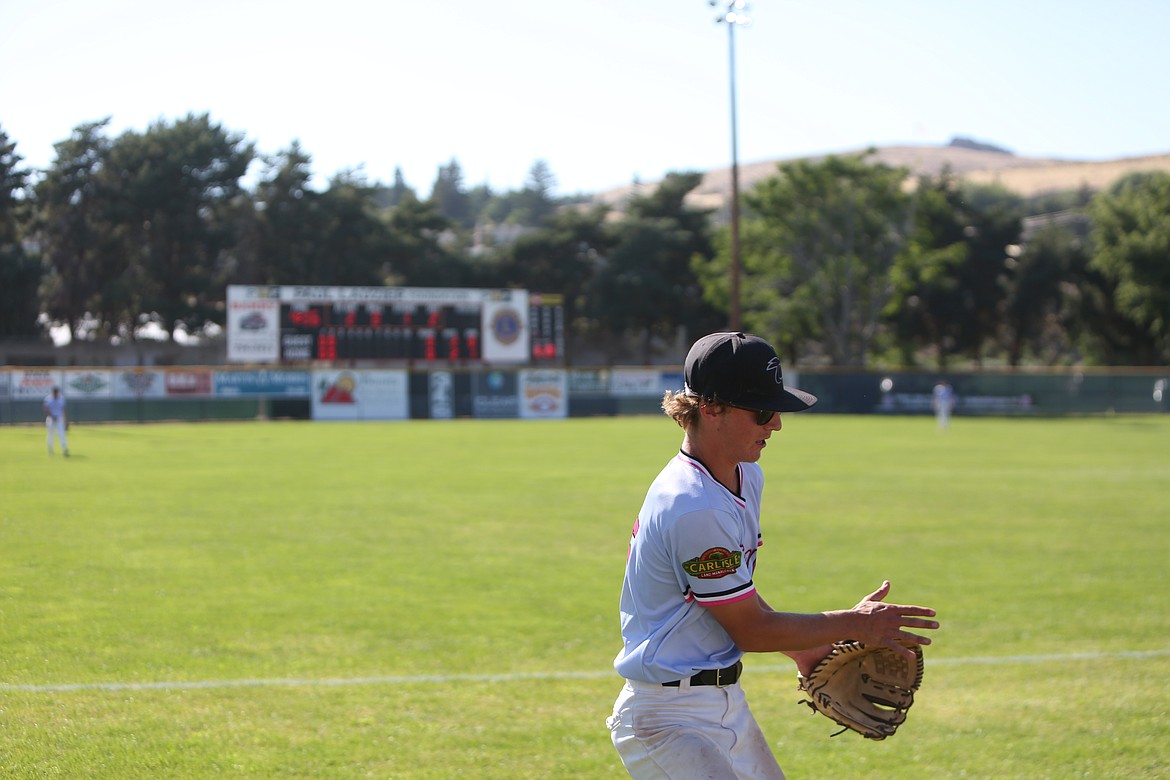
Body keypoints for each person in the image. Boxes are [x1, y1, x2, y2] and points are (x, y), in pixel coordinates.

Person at [607, 332, 939, 779]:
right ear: (710, 408)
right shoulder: (693, 504)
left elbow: (736, 600)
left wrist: (809, 650)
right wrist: (857, 624)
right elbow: (750, 630)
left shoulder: (745, 477)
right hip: (667, 720)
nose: (776, 424)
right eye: (763, 411)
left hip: (724, 704)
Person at [43, 385, 69, 457]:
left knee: (62, 434)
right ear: (52, 392)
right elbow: (46, 409)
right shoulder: (48, 399)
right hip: (51, 419)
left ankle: (64, 450)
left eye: (57, 392)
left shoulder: (61, 398)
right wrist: (51, 416)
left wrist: (65, 420)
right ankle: (50, 450)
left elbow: (63, 410)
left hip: (59, 418)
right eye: (55, 392)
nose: (56, 393)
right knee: (50, 435)